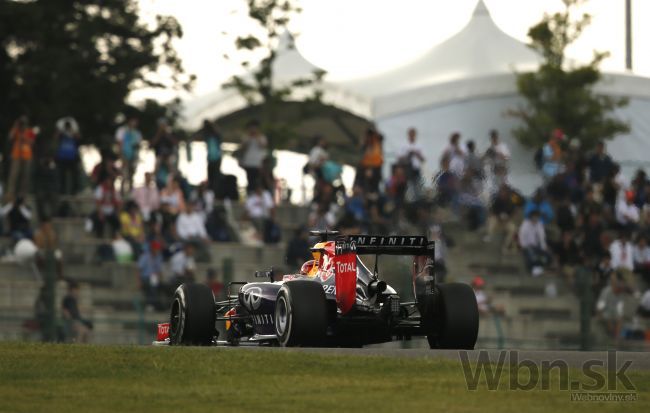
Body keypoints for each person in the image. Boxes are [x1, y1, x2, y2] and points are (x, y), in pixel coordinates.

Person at [6, 116, 36, 201]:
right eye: (21, 123)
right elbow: (10, 137)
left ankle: (23, 194)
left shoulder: (30, 131)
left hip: (27, 156)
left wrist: (25, 138)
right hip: (16, 155)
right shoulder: (16, 130)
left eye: (24, 123)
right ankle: (10, 193)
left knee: (25, 176)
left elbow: (32, 142)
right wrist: (15, 126)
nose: (22, 125)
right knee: (13, 175)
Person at [518, 210, 551, 276]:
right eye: (535, 217)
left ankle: (539, 268)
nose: (536, 219)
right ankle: (534, 268)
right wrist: (523, 246)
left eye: (537, 217)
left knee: (547, 255)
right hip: (527, 246)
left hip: (536, 246)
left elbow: (542, 237)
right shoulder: (525, 224)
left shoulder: (539, 224)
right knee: (531, 255)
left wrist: (544, 246)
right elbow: (521, 236)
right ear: (531, 217)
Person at [115, 117, 142, 194]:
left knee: (131, 175)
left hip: (133, 157)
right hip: (124, 156)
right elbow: (119, 144)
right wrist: (121, 157)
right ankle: (122, 193)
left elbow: (138, 145)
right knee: (124, 175)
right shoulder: (122, 130)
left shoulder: (137, 133)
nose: (134, 123)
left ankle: (130, 194)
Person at [54, 118, 81, 195]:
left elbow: (79, 137)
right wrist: (61, 130)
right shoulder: (61, 134)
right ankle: (62, 192)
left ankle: (74, 191)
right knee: (62, 176)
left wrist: (72, 131)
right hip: (62, 158)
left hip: (72, 158)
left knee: (74, 175)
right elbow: (55, 137)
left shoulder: (73, 134)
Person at [239, 120, 268, 192]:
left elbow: (262, 146)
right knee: (250, 181)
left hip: (258, 164)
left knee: (258, 181)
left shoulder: (262, 137)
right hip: (248, 163)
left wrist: (256, 137)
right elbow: (243, 148)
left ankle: (258, 196)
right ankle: (250, 195)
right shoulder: (246, 137)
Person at [137, 240, 164, 310]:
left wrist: (160, 278)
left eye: (158, 249)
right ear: (152, 249)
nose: (157, 250)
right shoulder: (145, 256)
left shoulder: (159, 257)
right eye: (156, 248)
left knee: (159, 286)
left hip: (154, 277)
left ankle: (157, 305)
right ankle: (150, 304)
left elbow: (159, 270)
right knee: (151, 286)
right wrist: (139, 281)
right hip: (145, 277)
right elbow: (139, 270)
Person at [359, 128, 383, 193]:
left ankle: (374, 193)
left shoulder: (376, 141)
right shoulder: (365, 145)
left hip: (376, 166)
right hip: (367, 167)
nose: (368, 138)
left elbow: (381, 137)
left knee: (374, 184)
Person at [200, 119, 222, 191]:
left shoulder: (215, 135)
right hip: (211, 158)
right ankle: (211, 190)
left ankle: (215, 191)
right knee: (212, 176)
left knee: (215, 176)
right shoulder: (208, 136)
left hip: (216, 158)